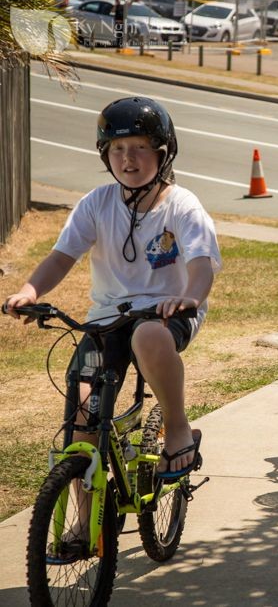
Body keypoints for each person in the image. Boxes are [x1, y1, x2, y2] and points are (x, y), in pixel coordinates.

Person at [4, 96, 221, 482]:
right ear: (106, 156)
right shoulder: (97, 202)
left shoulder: (182, 206)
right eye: (117, 149)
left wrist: (191, 296)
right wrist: (29, 291)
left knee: (150, 335)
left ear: (163, 152)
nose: (128, 158)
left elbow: (201, 263)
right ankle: (82, 533)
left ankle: (177, 427)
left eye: (140, 146)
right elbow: (61, 257)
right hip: (107, 317)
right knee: (82, 419)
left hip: (167, 312)